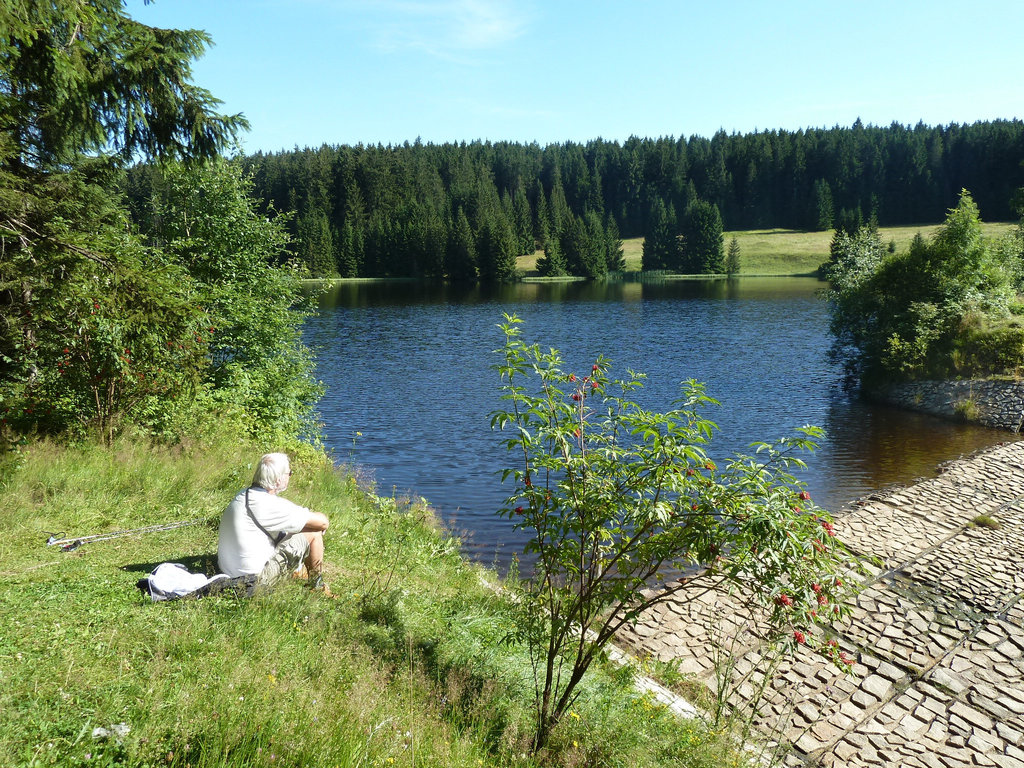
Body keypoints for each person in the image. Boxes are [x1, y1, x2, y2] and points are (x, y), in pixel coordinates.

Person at [218, 452, 331, 594]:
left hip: (227, 571)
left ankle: (298, 571)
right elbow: (322, 523)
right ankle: (318, 586)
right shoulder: (270, 505)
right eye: (289, 473)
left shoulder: (243, 494)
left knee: (292, 531)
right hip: (254, 581)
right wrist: (313, 525)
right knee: (313, 532)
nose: (290, 476)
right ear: (278, 480)